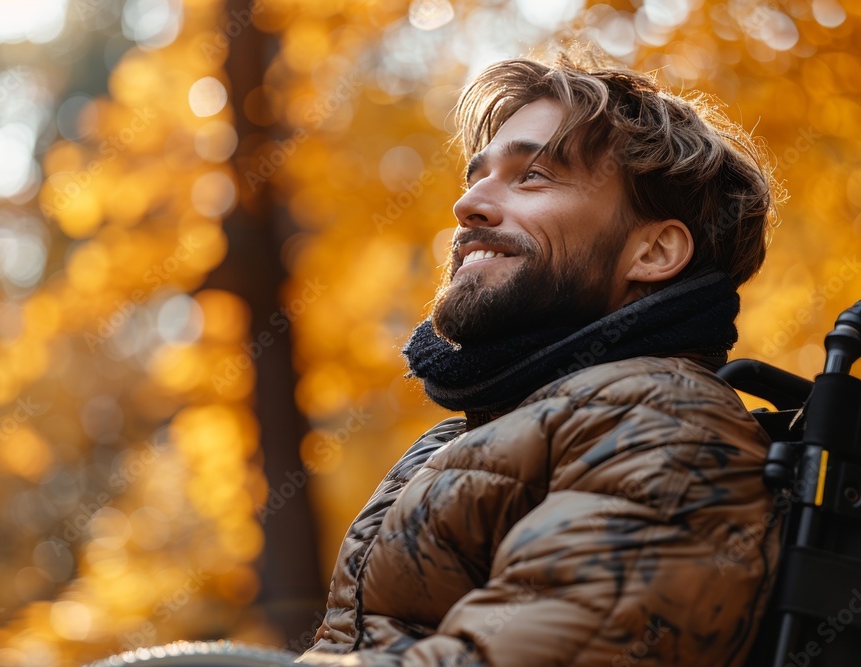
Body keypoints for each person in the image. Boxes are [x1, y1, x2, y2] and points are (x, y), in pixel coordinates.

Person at [295, 52, 783, 666]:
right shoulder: (459, 440)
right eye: (476, 177)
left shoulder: (662, 421)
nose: (467, 205)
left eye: (532, 176)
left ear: (655, 251)